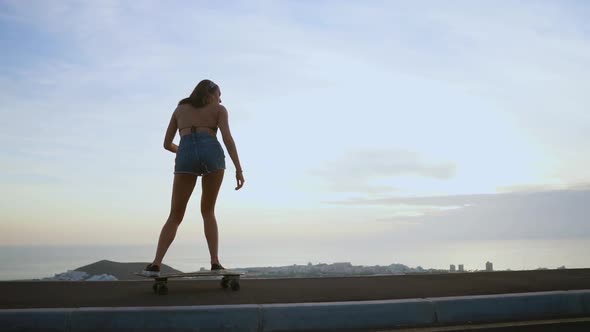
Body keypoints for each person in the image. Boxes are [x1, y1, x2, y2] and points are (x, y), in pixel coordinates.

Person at [142, 79, 244, 277]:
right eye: (219, 94)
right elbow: (227, 139)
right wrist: (239, 169)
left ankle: (155, 264)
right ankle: (215, 262)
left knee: (175, 215)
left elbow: (166, 144)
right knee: (208, 211)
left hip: (185, 153)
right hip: (212, 152)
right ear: (209, 93)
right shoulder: (219, 110)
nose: (220, 99)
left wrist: (184, 152)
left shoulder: (180, 110)